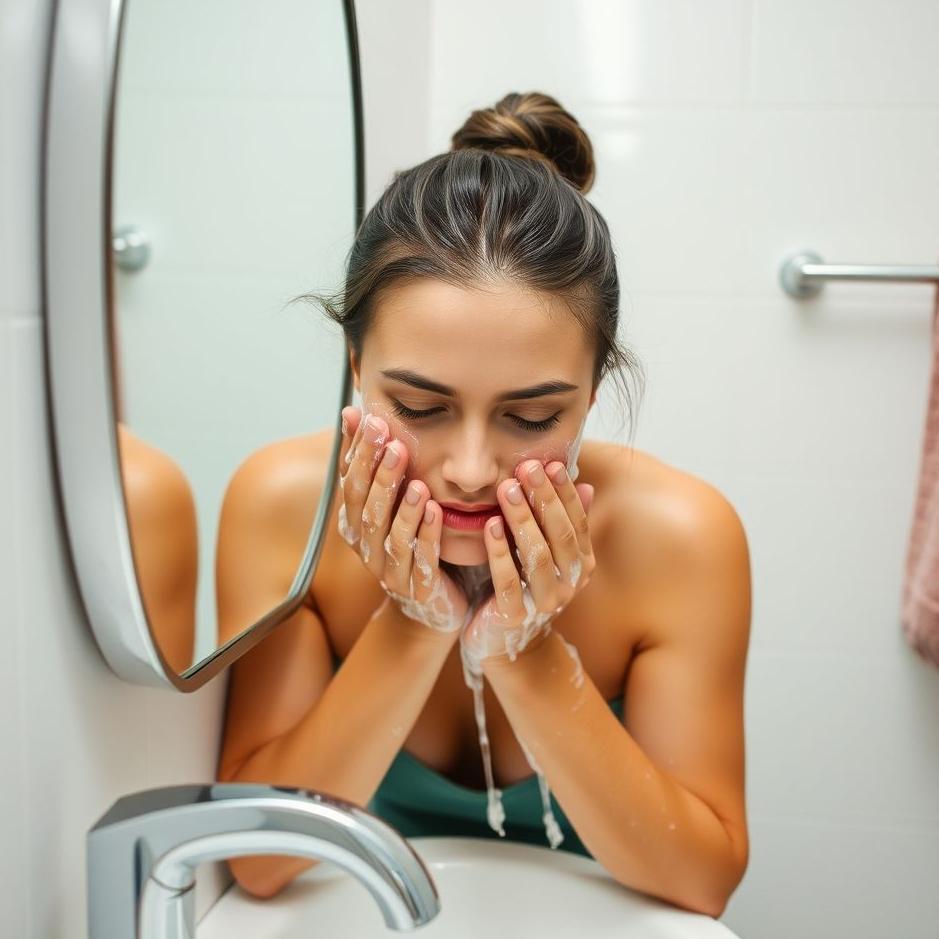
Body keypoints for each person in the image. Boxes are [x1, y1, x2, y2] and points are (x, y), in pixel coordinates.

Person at [214, 91, 751, 918]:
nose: (468, 469)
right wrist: (415, 622)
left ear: (592, 389)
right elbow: (256, 860)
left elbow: (701, 879)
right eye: (419, 407)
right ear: (355, 363)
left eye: (531, 417)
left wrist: (524, 649)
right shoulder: (286, 508)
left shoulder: (679, 537)